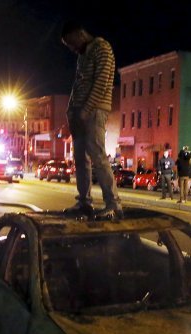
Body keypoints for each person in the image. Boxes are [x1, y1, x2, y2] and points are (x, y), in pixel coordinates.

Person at [61, 20, 121, 220]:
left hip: (94, 111)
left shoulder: (102, 48)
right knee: (80, 158)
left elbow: (102, 82)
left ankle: (113, 203)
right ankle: (84, 203)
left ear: (80, 34)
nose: (71, 48)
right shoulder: (82, 55)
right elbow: (77, 85)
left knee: (97, 155)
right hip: (78, 112)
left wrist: (86, 110)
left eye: (71, 43)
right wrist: (71, 111)